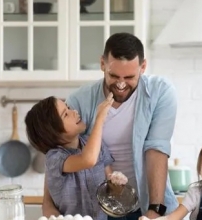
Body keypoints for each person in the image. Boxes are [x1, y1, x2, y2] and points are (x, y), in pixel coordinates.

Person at [42, 32, 179, 220]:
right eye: (114, 75)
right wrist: (49, 209)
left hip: (149, 203)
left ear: (143, 67)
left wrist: (154, 211)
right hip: (99, 210)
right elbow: (59, 153)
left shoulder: (160, 92)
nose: (121, 84)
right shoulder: (79, 100)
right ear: (102, 64)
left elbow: (156, 149)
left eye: (129, 76)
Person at [25, 93, 129, 220]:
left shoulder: (97, 145)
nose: (74, 111)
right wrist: (100, 118)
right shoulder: (55, 158)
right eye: (66, 114)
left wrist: (116, 184)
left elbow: (112, 192)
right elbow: (88, 160)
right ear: (53, 132)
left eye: (68, 107)